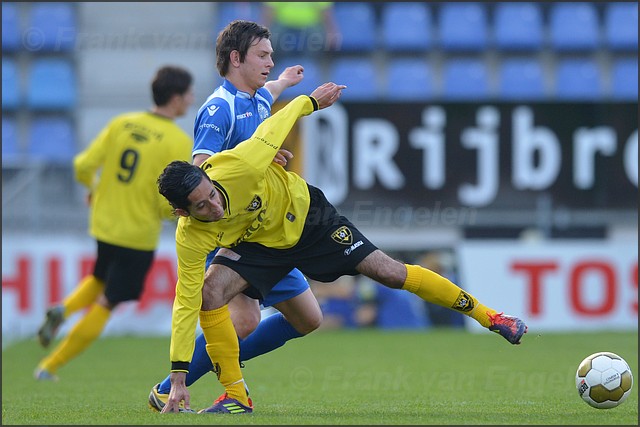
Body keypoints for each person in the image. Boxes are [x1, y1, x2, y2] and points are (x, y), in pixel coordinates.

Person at [156, 83, 528, 414]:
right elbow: (183, 304)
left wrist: (311, 100)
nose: (214, 207)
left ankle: (492, 317)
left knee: (385, 274)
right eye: (201, 207)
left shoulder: (238, 165)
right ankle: (236, 395)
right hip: (258, 245)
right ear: (181, 212)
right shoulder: (190, 236)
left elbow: (277, 123)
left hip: (309, 220)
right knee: (208, 293)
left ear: (209, 177)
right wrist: (177, 376)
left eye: (211, 194)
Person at [147, 20, 324, 412]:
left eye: (272, 55)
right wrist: (252, 160)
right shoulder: (218, 109)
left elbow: (272, 92)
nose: (270, 61)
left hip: (264, 230)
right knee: (242, 323)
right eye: (263, 55)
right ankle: (169, 387)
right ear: (235, 58)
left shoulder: (260, 97)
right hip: (231, 233)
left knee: (309, 319)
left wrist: (284, 80)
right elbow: (201, 171)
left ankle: (224, 358)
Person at [34, 66, 195, 381]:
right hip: (137, 234)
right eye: (188, 94)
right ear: (176, 98)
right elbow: (167, 201)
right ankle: (49, 366)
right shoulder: (177, 140)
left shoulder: (122, 123)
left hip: (104, 224)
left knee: (99, 277)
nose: (191, 100)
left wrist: (94, 189)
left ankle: (63, 310)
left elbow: (82, 165)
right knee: (108, 302)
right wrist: (178, 214)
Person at [261, 2, 339, 63]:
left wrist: (331, 31)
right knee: (272, 39)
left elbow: (325, 10)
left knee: (318, 39)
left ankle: (310, 68)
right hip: (283, 22)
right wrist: (263, 32)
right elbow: (270, 9)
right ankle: (276, 67)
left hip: (311, 23)